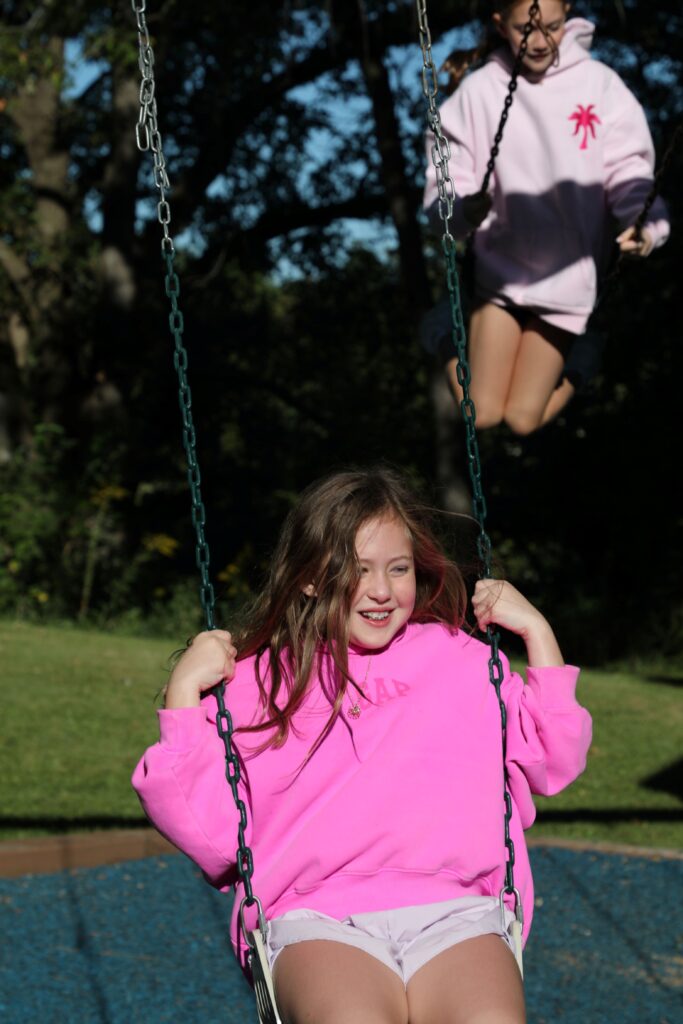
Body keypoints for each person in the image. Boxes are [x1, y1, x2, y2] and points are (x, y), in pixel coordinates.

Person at [133, 467, 592, 1023]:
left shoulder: (463, 663)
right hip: (316, 915)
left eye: (397, 569)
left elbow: (553, 760)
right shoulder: (259, 685)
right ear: (308, 577)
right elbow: (213, 839)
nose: (380, 591)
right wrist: (184, 693)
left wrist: (538, 632)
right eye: (356, 570)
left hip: (457, 909)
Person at [423, 0, 670, 435]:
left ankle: (582, 360)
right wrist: (462, 208)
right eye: (525, 30)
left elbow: (628, 169)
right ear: (500, 25)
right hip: (503, 275)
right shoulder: (482, 92)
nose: (539, 42)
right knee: (480, 412)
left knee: (522, 420)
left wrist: (644, 223)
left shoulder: (598, 85)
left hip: (568, 280)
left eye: (552, 27)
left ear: (568, 14)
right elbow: (448, 173)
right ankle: (446, 331)